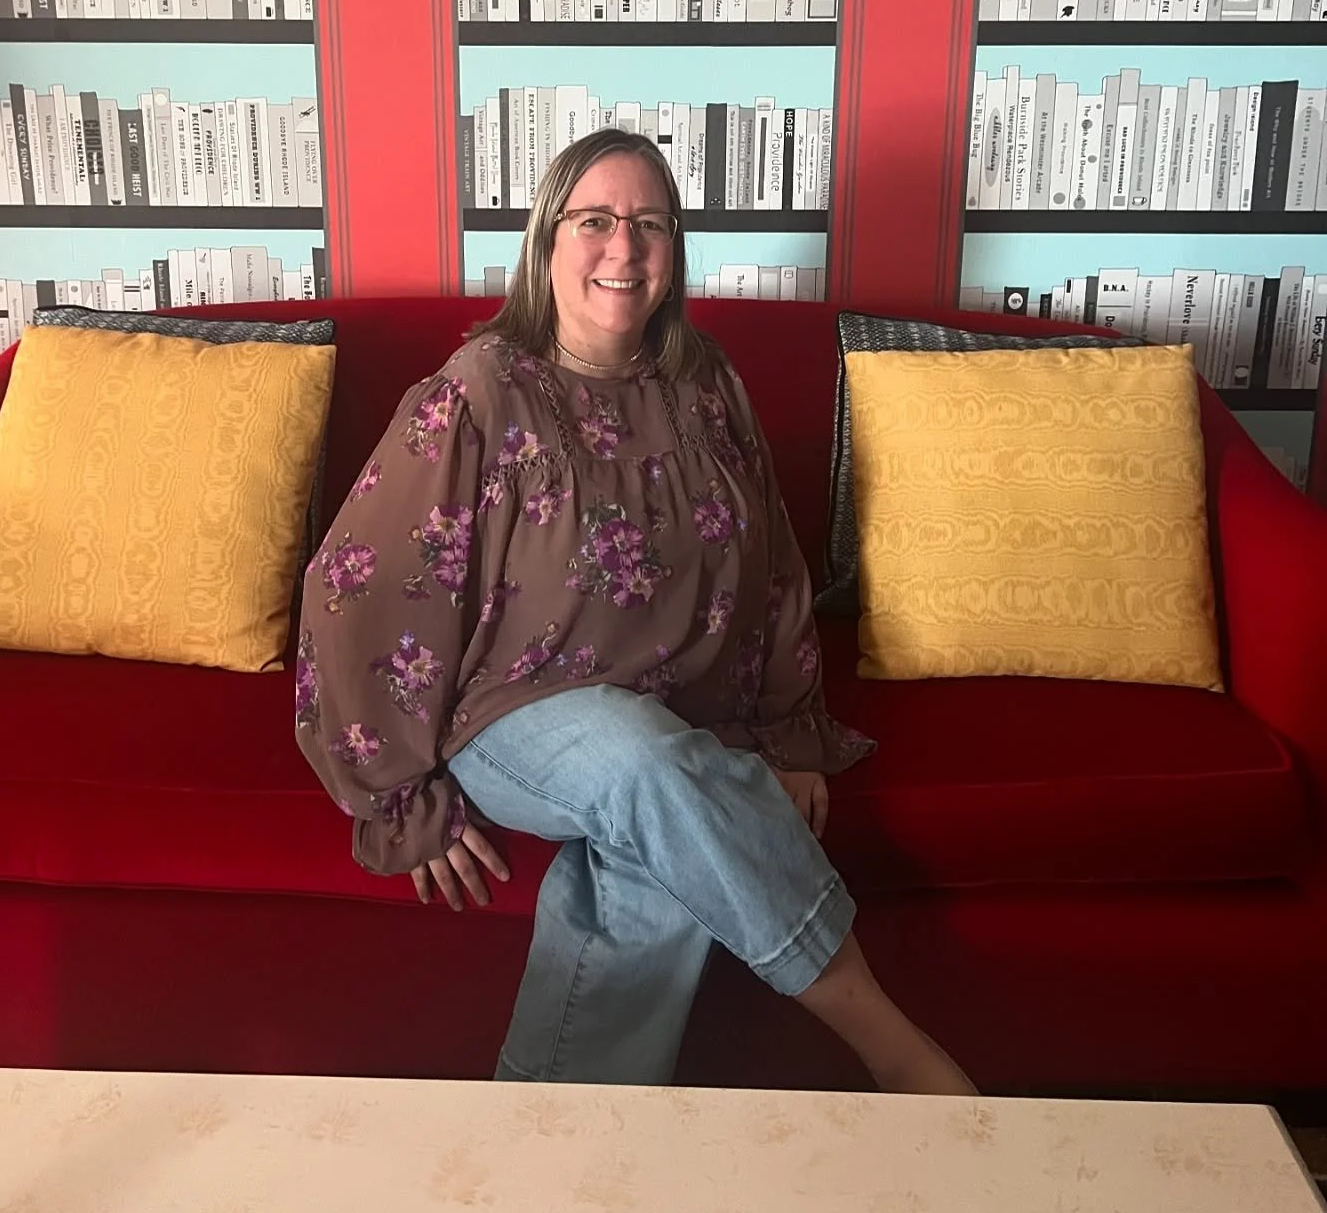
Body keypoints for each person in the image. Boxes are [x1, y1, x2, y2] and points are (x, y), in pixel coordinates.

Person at [295, 129, 973, 1094]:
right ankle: (892, 1048)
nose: (625, 248)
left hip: (672, 723)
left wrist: (785, 735)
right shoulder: (481, 391)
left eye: (650, 224)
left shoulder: (705, 387)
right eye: (598, 221)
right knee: (652, 770)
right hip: (509, 714)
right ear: (547, 241)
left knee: (657, 835)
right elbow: (358, 582)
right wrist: (401, 796)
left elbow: (773, 561)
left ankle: (547, 1147)